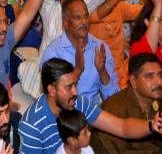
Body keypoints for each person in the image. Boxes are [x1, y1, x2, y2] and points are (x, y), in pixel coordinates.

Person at [18, 58, 162, 154]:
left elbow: (122, 127)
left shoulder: (77, 102)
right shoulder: (31, 125)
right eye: (69, 87)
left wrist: (151, 125)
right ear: (51, 90)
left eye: (75, 84)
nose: (75, 91)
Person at [90, 53, 162, 152]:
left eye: (160, 75)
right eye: (149, 76)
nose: (159, 82)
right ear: (133, 81)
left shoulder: (157, 100)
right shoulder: (113, 111)